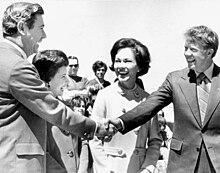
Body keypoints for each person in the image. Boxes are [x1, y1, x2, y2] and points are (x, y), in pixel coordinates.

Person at [0, 2, 113, 173]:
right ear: (22, 28)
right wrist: (94, 127)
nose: (44, 35)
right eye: (41, 28)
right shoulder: (17, 66)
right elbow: (52, 109)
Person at [110, 25, 220, 173]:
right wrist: (120, 122)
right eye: (185, 48)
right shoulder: (175, 79)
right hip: (182, 164)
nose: (186, 54)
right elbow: (150, 105)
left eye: (193, 50)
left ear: (209, 52)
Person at [90, 38, 162, 173]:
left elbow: (155, 141)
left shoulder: (148, 100)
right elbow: (94, 138)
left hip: (138, 168)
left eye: (127, 61)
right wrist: (104, 170)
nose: (121, 66)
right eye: (117, 61)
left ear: (139, 66)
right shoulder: (104, 95)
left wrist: (147, 168)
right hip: (111, 168)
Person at [32, 49, 81, 173]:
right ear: (48, 80)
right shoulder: (36, 111)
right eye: (63, 76)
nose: (67, 81)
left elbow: (82, 143)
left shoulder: (66, 107)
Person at [69, 96, 94, 173]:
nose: (81, 108)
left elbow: (84, 147)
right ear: (72, 108)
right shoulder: (68, 123)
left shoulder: (86, 124)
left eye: (83, 106)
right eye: (78, 106)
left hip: (84, 162)